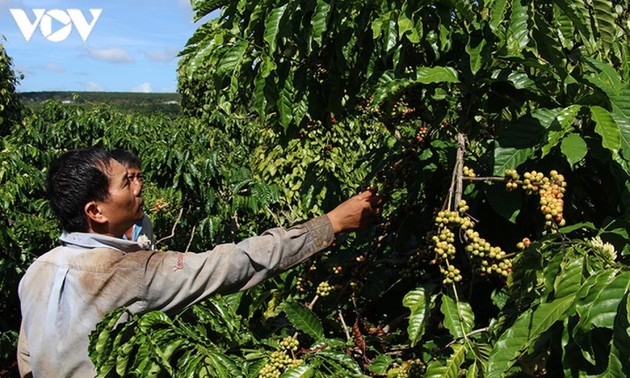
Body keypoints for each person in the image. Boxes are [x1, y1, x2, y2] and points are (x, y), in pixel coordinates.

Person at [17, 147, 382, 377]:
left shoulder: (39, 270)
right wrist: (331, 224)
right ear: (95, 211)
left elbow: (28, 355)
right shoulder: (129, 273)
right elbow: (233, 263)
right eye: (127, 182)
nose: (139, 187)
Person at [110, 148, 154, 249]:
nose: (138, 186)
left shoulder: (144, 222)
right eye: (130, 178)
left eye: (140, 177)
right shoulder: (105, 225)